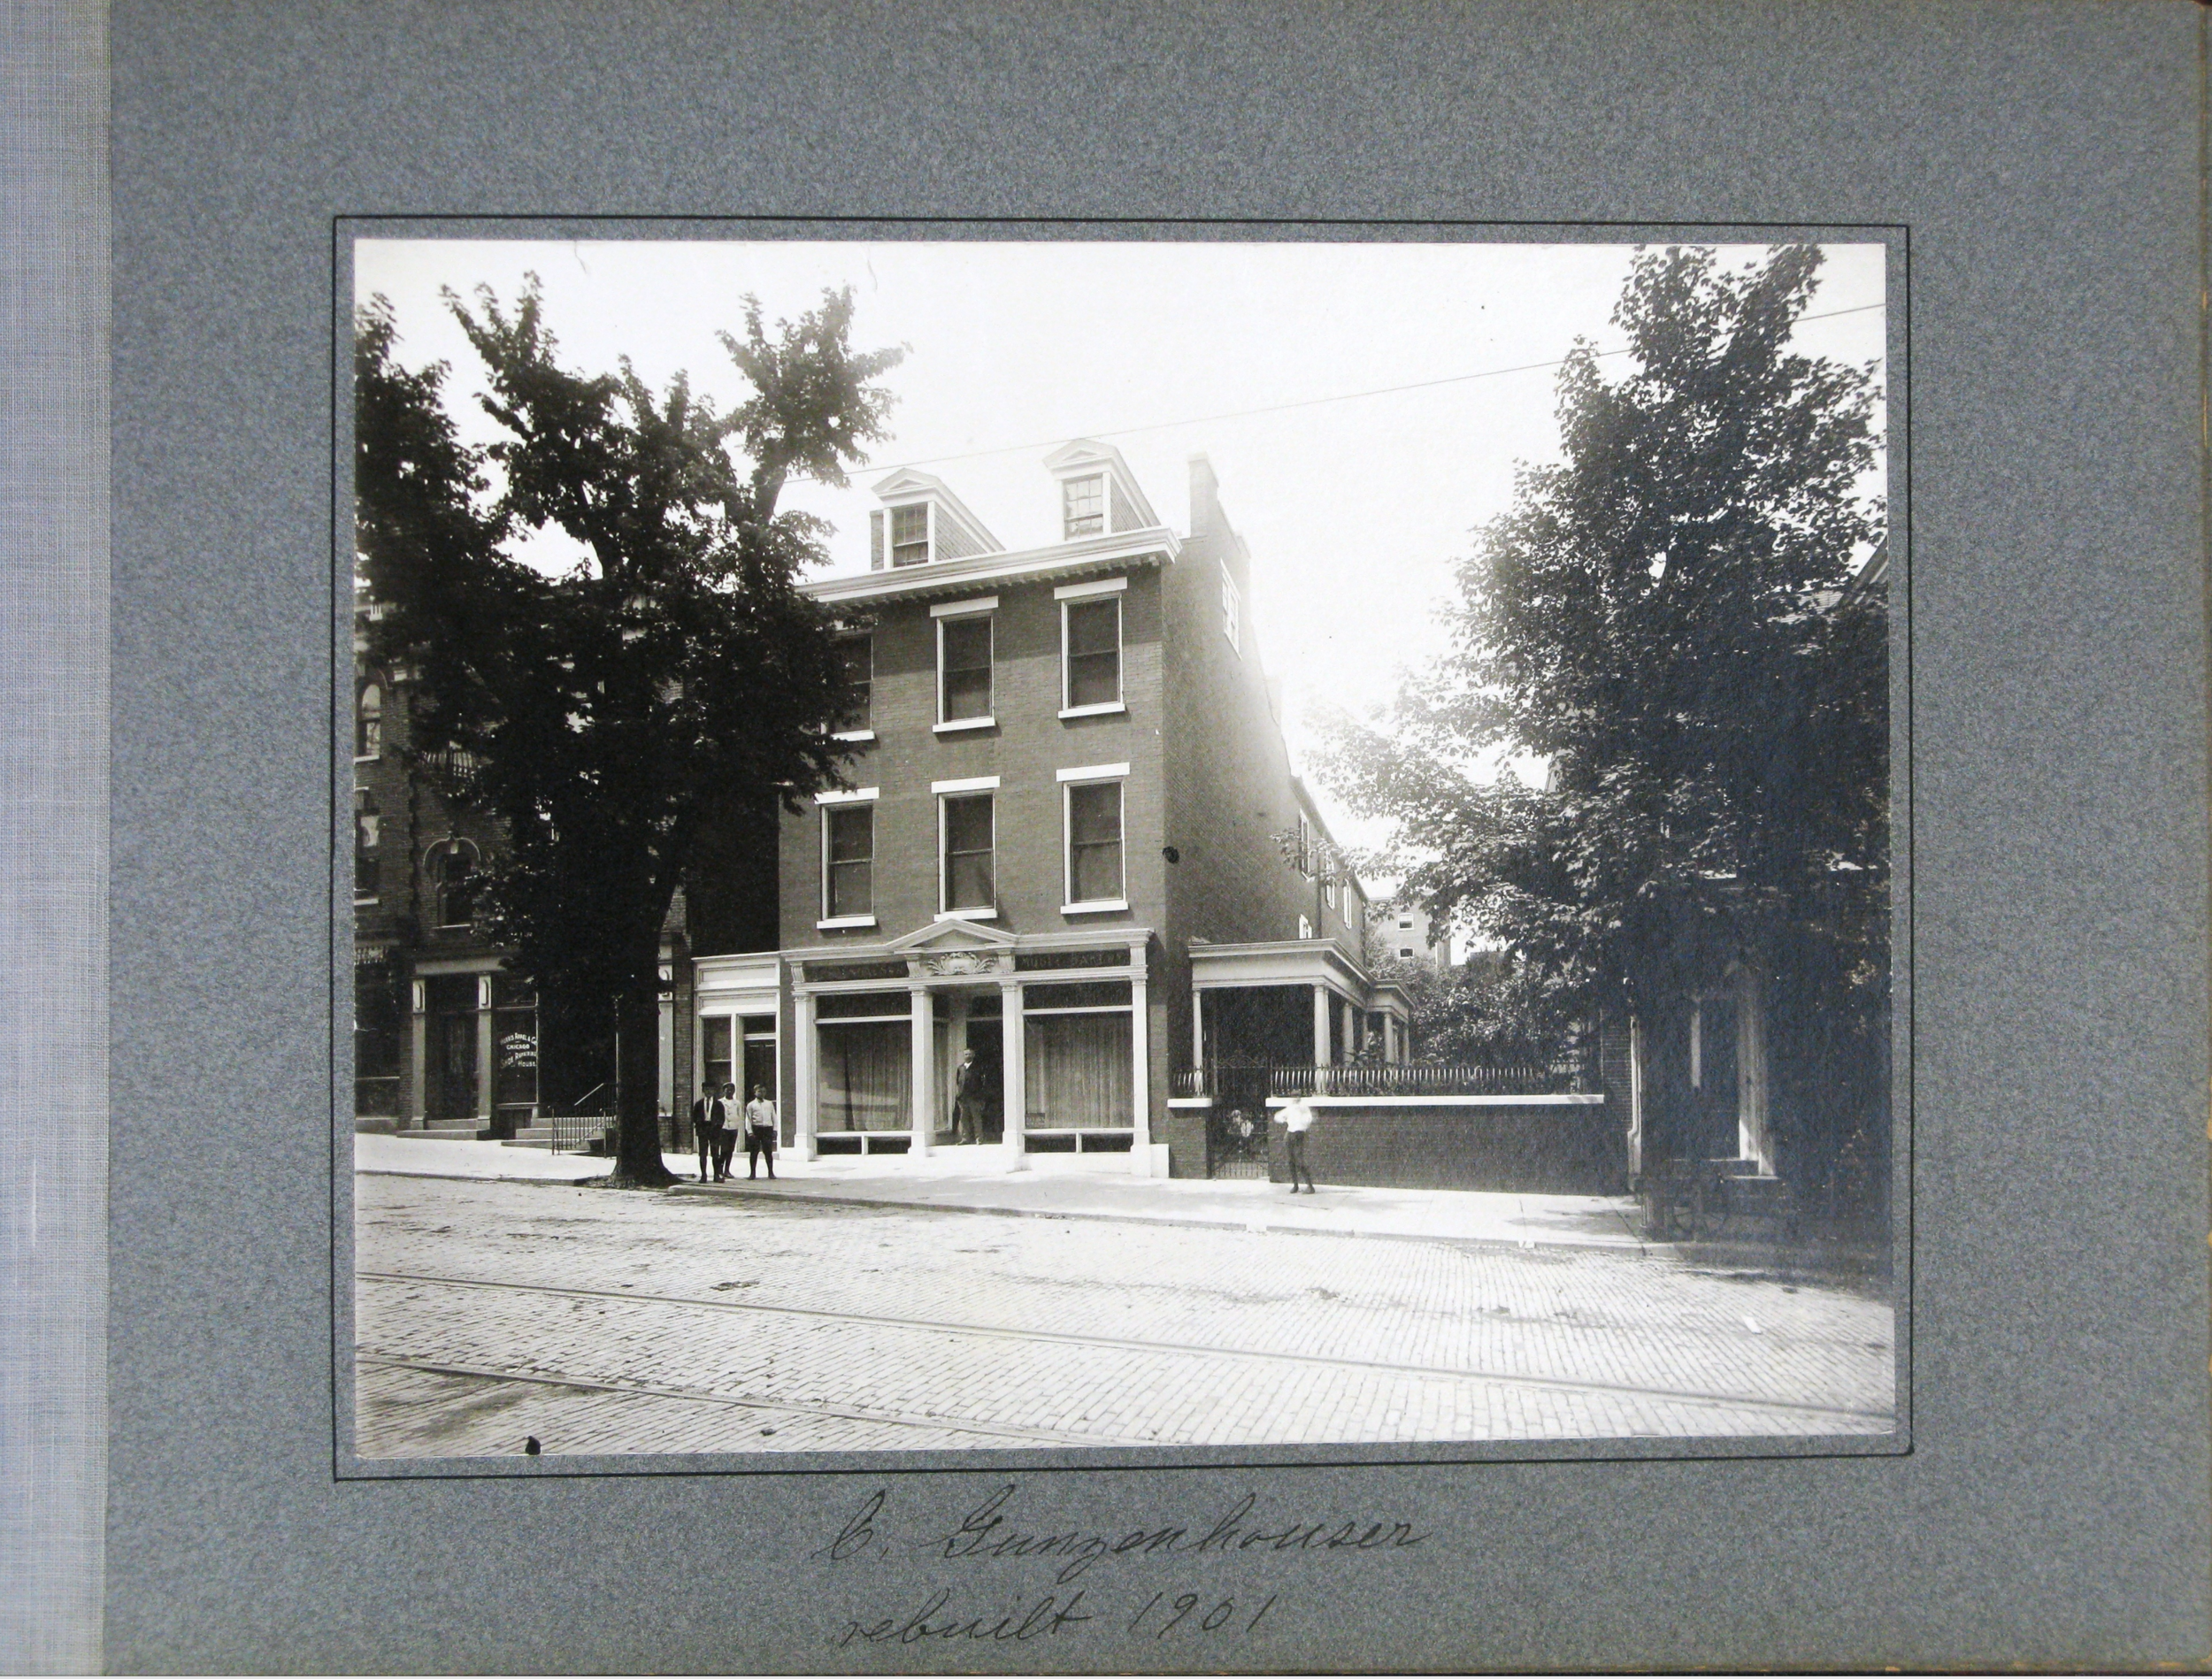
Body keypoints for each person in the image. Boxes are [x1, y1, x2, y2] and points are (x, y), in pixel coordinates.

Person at [1279, 1093, 1318, 1193]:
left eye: (1297, 1097)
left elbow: (1308, 1119)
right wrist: (1283, 1119)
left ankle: (1310, 1186)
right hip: (1290, 1132)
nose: (1295, 1099)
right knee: (1290, 1160)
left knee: (1299, 1161)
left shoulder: (1303, 1107)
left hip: (1298, 1133)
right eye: (1294, 1097)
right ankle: (1295, 1185)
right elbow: (1279, 1116)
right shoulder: (1290, 1107)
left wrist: (1302, 1124)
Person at [950, 1047, 986, 1146]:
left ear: (973, 1055)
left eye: (970, 1054)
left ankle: (979, 1138)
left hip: (974, 1097)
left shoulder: (978, 1068)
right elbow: (959, 1082)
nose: (968, 1056)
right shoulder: (961, 1068)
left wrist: (979, 1096)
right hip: (963, 1098)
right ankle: (965, 1138)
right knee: (964, 1119)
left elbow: (982, 1083)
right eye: (966, 1054)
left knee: (976, 1118)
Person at [743, 1084, 779, 1180]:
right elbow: (748, 1119)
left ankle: (771, 1172)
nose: (762, 1093)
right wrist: (750, 1132)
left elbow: (774, 1117)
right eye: (759, 1091)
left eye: (763, 1091)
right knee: (754, 1152)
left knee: (768, 1152)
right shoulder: (751, 1105)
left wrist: (775, 1129)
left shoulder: (769, 1103)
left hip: (767, 1129)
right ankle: (752, 1173)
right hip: (756, 1129)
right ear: (755, 1093)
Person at [688, 1083, 718, 1183]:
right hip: (703, 1130)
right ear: (703, 1091)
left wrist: (716, 1127)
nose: (709, 1092)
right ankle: (704, 1175)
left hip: (714, 1130)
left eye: (711, 1089)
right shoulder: (699, 1104)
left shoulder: (718, 1104)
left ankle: (716, 1175)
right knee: (703, 1154)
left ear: (714, 1091)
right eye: (707, 1089)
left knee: (715, 1154)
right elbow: (694, 1117)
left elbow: (721, 1118)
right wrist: (699, 1126)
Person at [710, 1082, 739, 1181]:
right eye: (727, 1090)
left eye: (732, 1090)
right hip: (723, 1128)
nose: (730, 1092)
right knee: (723, 1150)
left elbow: (738, 1115)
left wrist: (736, 1125)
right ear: (724, 1091)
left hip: (733, 1128)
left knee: (730, 1150)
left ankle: (727, 1169)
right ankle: (720, 1170)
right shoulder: (719, 1102)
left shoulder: (737, 1103)